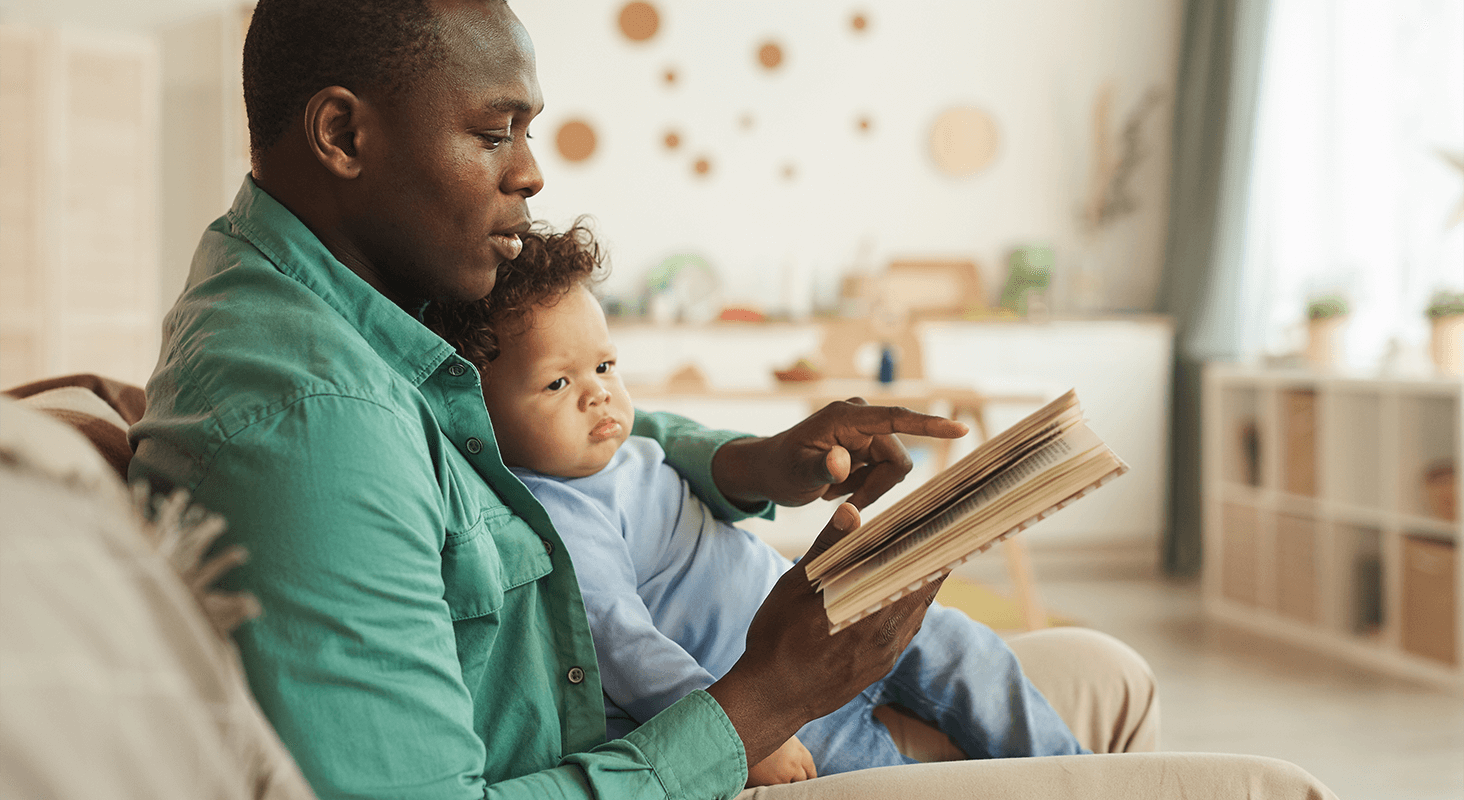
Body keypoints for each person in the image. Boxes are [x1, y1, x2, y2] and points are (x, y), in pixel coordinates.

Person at [130, 1, 1339, 798]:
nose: (533, 171)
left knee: (1106, 669)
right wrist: (761, 699)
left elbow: (558, 446)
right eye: (495, 130)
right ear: (342, 133)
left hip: (675, 728)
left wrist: (750, 460)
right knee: (1274, 786)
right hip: (672, 756)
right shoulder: (313, 420)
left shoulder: (360, 299)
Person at [426, 223, 1087, 785]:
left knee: (973, 651)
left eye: (604, 367)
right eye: (557, 382)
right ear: (478, 411)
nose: (597, 395)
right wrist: (744, 736)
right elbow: (626, 650)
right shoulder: (559, 514)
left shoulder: (630, 449)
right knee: (891, 784)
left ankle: (1082, 777)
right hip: (776, 700)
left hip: (830, 622)